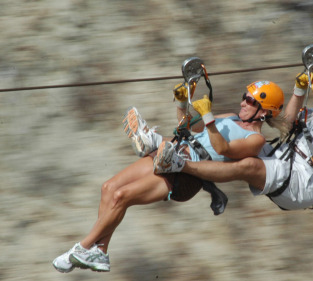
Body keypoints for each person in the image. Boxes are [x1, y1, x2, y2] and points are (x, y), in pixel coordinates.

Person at [52, 80, 289, 273]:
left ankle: (81, 247)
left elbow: (223, 149)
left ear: (265, 111)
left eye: (250, 100)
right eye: (244, 96)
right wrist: (182, 101)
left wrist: (209, 119)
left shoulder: (256, 141)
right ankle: (100, 252)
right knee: (109, 187)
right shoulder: (232, 117)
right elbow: (190, 126)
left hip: (187, 171)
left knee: (121, 196)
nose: (243, 102)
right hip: (176, 150)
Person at [154, 71, 313, 211]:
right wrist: (300, 90)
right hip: (284, 159)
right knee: (240, 135)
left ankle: (180, 164)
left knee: (249, 165)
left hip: (304, 181)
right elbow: (289, 122)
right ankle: (156, 142)